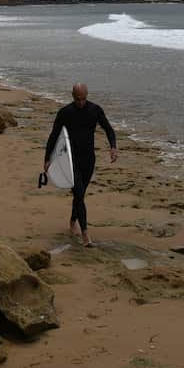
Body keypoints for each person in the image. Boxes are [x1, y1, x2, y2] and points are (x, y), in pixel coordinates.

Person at [43, 83, 118, 246]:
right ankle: (85, 235)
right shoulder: (65, 112)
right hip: (71, 159)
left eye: (84, 99)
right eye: (78, 99)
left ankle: (72, 221)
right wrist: (47, 158)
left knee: (80, 194)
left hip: (89, 159)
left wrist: (113, 147)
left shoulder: (95, 110)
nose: (81, 102)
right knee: (78, 192)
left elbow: (108, 129)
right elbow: (54, 135)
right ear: (72, 96)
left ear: (87, 95)